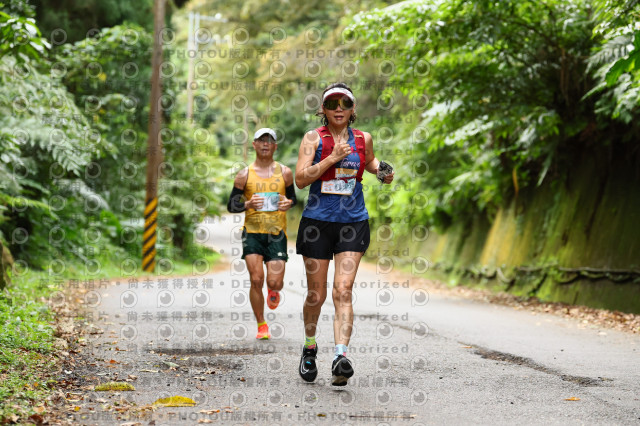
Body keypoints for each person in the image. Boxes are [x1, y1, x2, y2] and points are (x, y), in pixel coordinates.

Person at [295, 83, 394, 386]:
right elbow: (300, 179)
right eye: (332, 103)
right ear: (323, 109)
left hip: (353, 222)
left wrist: (382, 171)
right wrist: (331, 158)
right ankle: (310, 347)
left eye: (345, 102)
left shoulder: (364, 138)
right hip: (317, 223)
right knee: (317, 294)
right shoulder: (313, 138)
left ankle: (341, 356)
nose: (339, 107)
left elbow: (369, 162)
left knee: (343, 291)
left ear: (352, 109)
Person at [227, 128, 296, 339]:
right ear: (254, 145)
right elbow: (231, 205)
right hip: (253, 233)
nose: (265, 144)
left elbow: (293, 199)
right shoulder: (244, 174)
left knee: (274, 282)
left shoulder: (285, 172)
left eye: (270, 140)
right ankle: (261, 325)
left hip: (277, 233)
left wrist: (288, 203)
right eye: (261, 140)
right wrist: (247, 203)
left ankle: (274, 291)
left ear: (275, 146)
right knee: (256, 279)